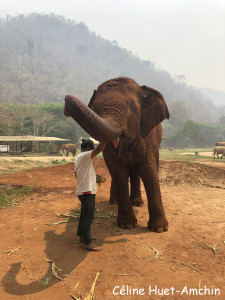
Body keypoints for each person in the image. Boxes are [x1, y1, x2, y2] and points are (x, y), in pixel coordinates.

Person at [74, 138, 107, 251]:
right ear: (88, 148)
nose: (93, 151)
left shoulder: (78, 158)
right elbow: (100, 148)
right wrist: (107, 137)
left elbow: (76, 174)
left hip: (82, 190)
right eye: (92, 148)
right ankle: (87, 243)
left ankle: (82, 236)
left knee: (84, 215)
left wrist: (93, 178)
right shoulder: (85, 156)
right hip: (87, 191)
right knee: (88, 216)